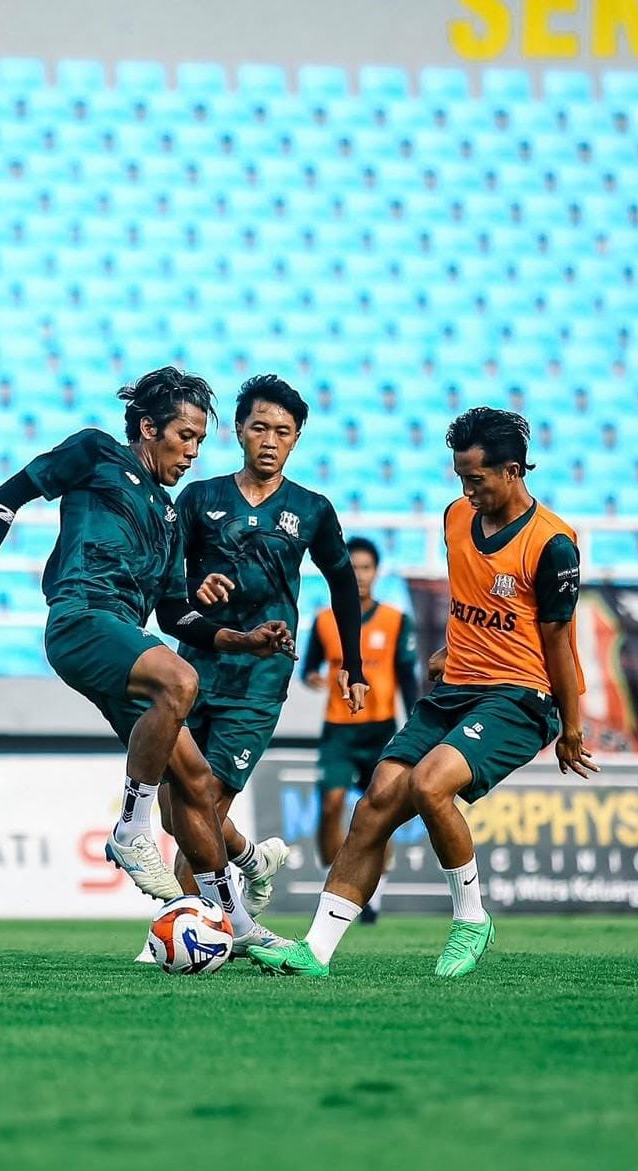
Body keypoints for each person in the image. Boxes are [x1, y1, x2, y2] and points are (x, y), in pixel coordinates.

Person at [250, 406, 597, 979]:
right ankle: (315, 949)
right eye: (460, 477)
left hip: (520, 694)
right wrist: (449, 650)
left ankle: (471, 917)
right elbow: (475, 600)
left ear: (513, 471)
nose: (467, 489)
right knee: (378, 801)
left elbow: (558, 640)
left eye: (476, 478)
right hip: (454, 685)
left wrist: (571, 725)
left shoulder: (553, 543)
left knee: (431, 784)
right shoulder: (456, 517)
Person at [0, 367, 294, 955]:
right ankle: (130, 825)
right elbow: (8, 495)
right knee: (181, 678)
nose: (192, 452)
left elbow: (176, 617)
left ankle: (237, 921)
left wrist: (245, 640)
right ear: (148, 427)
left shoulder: (167, 518)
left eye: (198, 442)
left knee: (193, 784)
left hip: (127, 643)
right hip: (82, 618)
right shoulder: (94, 453)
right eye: (184, 437)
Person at [162, 374, 369, 904]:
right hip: (195, 668)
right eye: (260, 427)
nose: (270, 440)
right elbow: (166, 586)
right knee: (172, 807)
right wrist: (194, 589)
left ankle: (183, 921)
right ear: (238, 430)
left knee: (206, 801)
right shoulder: (198, 498)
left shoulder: (312, 509)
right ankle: (253, 859)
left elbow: (343, 581)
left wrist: (354, 663)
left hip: (260, 677)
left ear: (297, 437)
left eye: (283, 430)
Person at [303, 535, 418, 923]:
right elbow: (309, 669)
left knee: (379, 815)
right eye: (353, 569)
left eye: (366, 568)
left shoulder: (396, 621)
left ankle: (374, 895)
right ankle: (334, 883)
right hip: (338, 729)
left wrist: (417, 727)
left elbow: (407, 678)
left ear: (377, 572)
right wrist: (316, 679)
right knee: (332, 805)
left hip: (381, 729)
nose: (361, 575)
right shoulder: (323, 621)